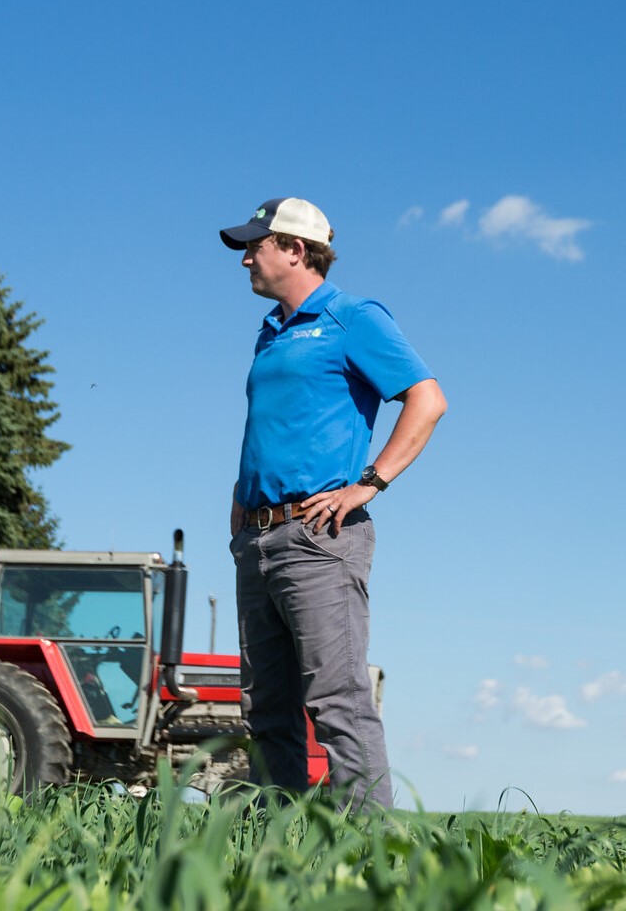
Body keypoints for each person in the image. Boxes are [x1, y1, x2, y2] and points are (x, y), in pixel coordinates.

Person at [221, 197, 446, 811]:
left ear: (295, 250)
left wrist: (369, 482)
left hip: (318, 537)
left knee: (336, 699)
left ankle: (369, 858)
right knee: (266, 705)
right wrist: (241, 504)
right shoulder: (270, 332)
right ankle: (280, 848)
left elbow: (426, 400)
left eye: (255, 246)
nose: (245, 258)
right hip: (257, 539)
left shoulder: (353, 317)